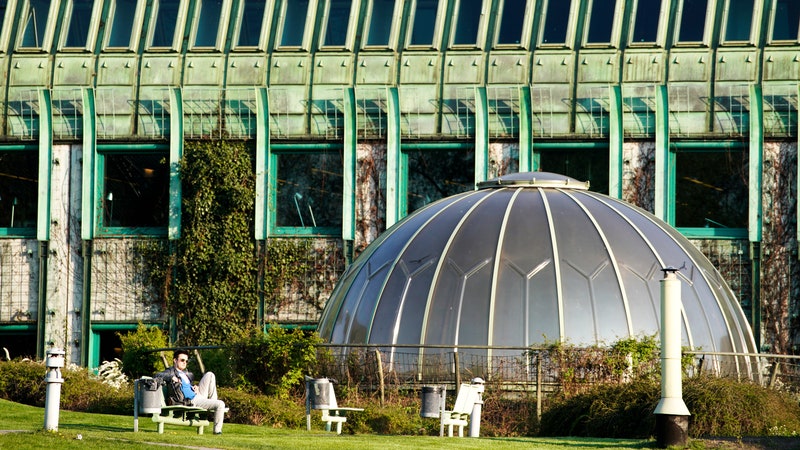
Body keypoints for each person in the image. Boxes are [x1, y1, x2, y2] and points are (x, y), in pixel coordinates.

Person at [156, 349, 226, 435]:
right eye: (182, 360)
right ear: (175, 360)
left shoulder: (186, 373)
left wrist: (194, 387)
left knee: (210, 374)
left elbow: (187, 386)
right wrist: (171, 377)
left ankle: (212, 404)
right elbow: (158, 375)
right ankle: (217, 431)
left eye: (186, 361)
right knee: (220, 404)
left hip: (198, 394)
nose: (184, 362)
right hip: (192, 400)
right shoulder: (171, 371)